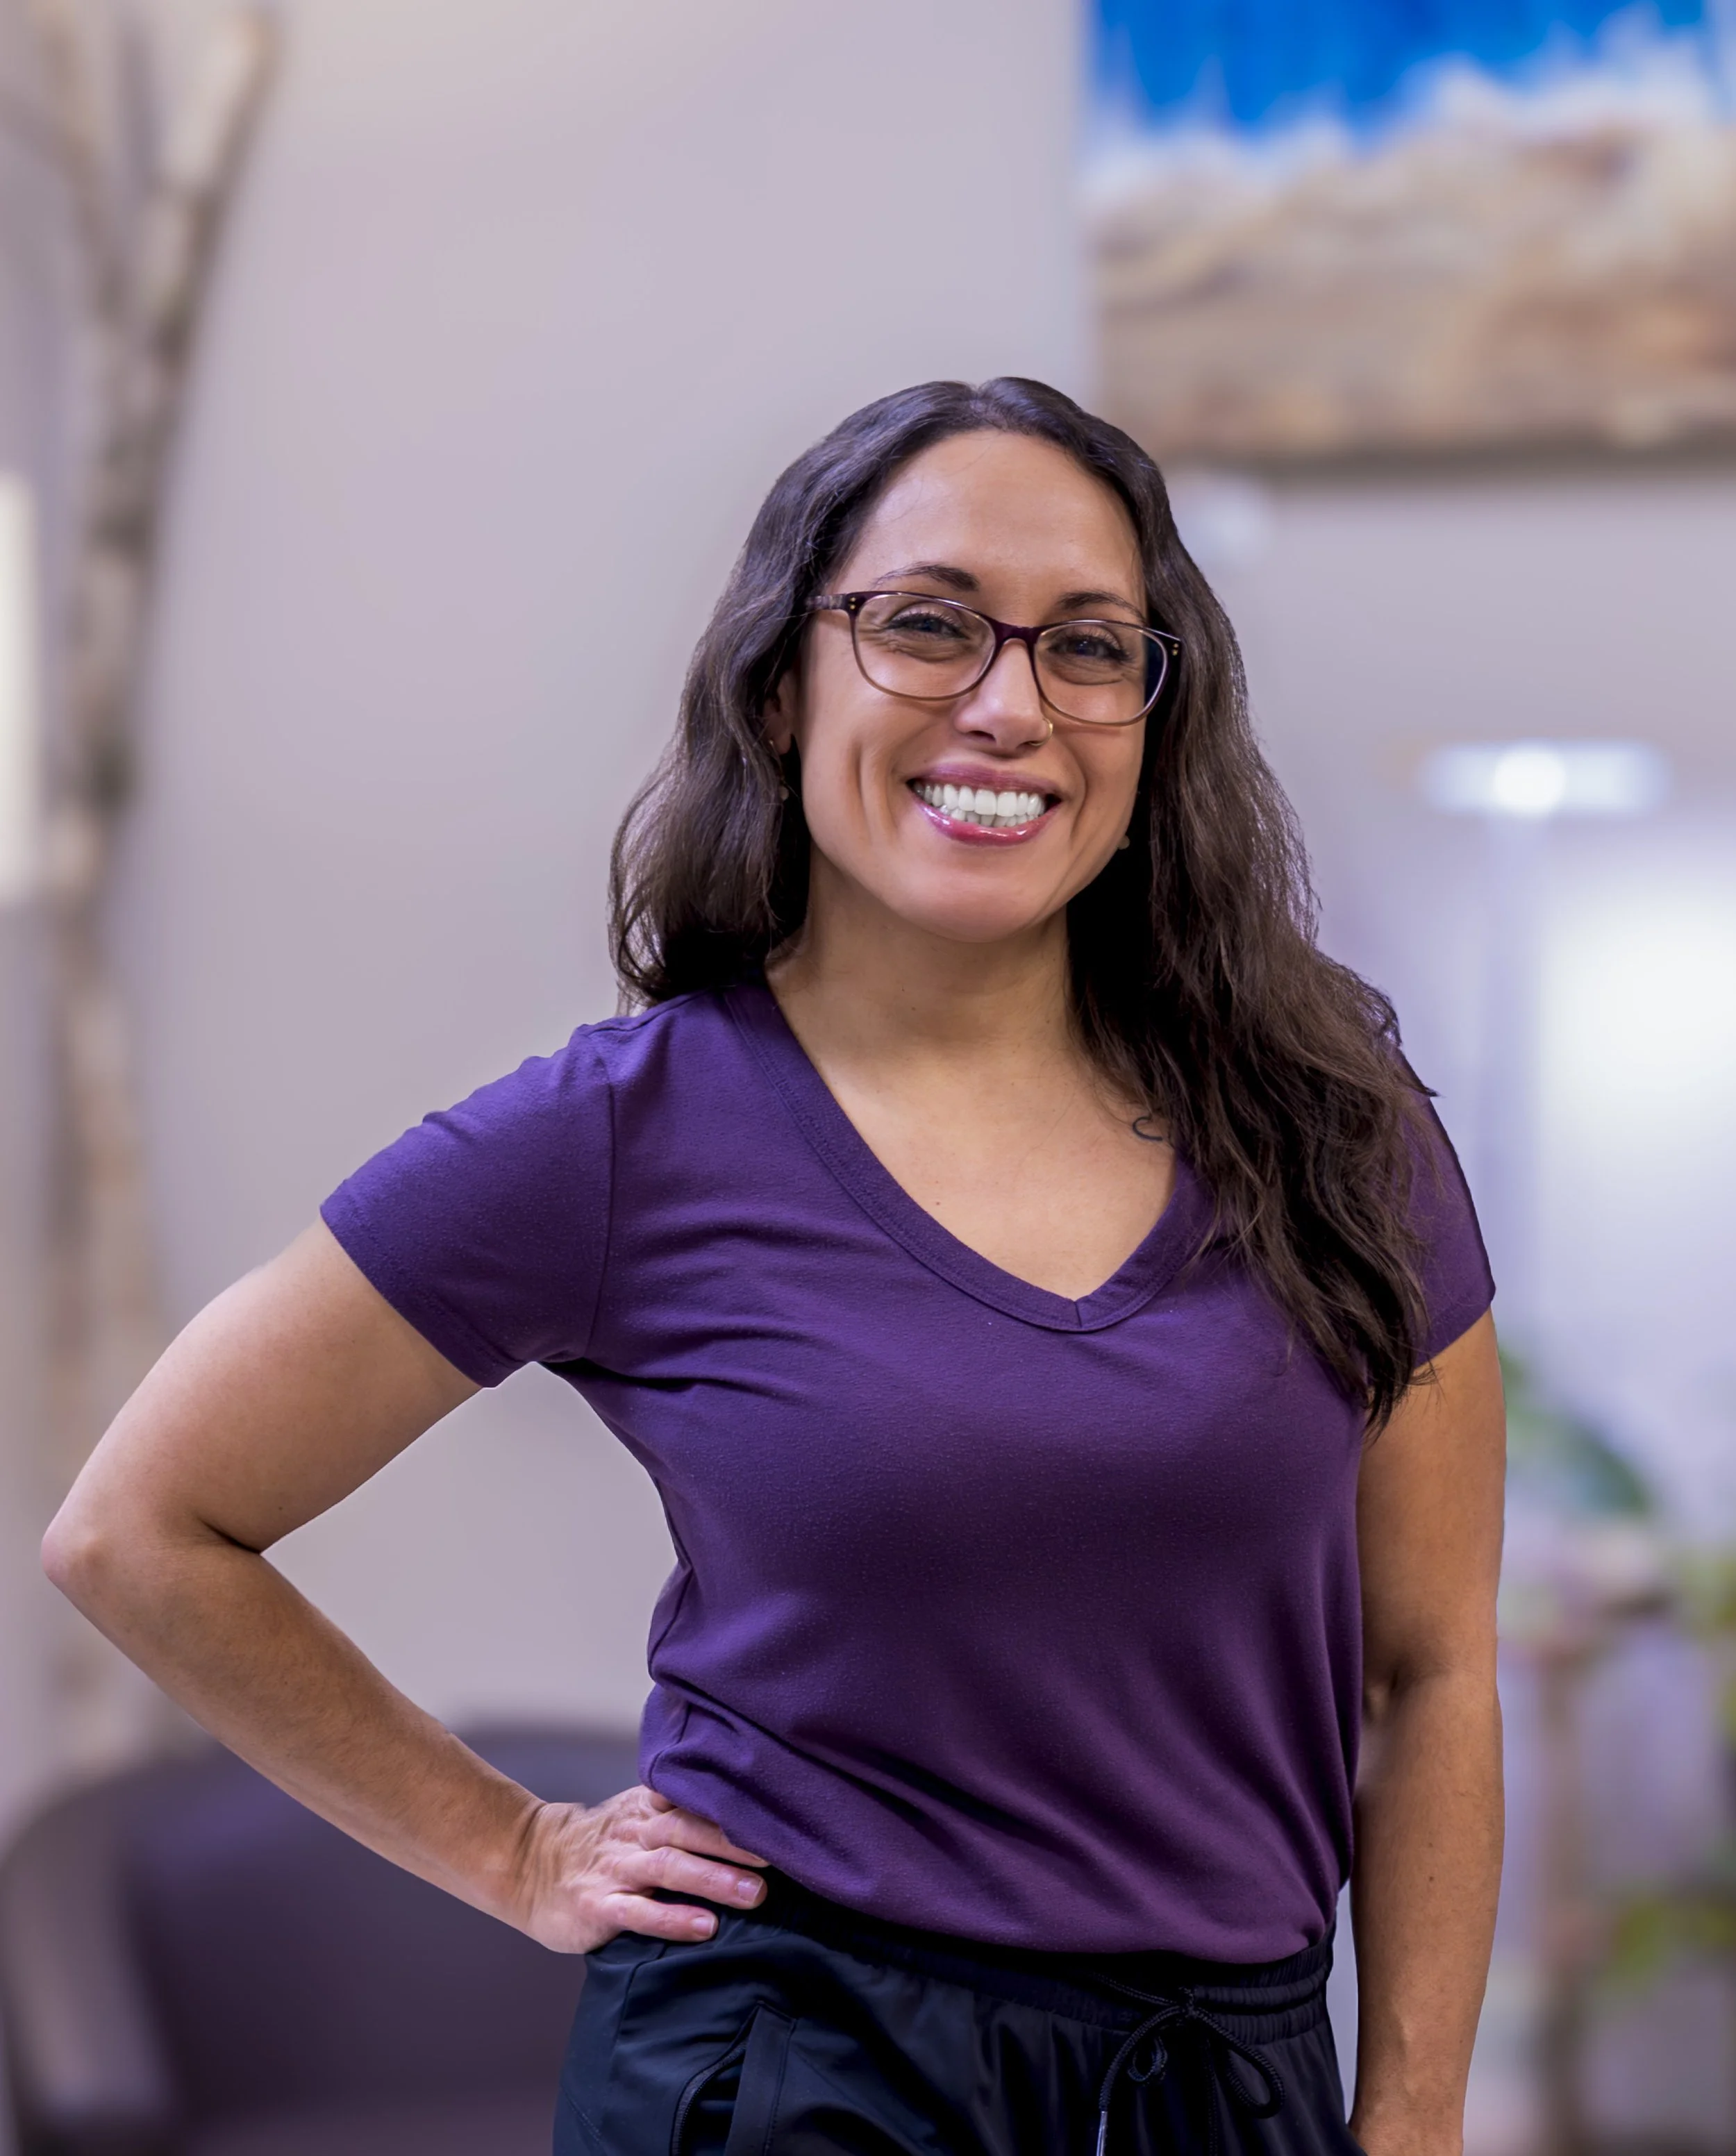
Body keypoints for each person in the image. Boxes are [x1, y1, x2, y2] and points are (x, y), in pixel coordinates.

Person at [45, 378, 1504, 2156]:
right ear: (777, 683)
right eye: (926, 626)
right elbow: (141, 1528)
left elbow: (1427, 1670)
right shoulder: (618, 1134)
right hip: (799, 2071)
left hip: (1223, 2083)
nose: (1007, 705)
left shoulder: (1331, 1117)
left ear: (1153, 717)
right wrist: (513, 1848)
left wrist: (1413, 2107)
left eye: (1091, 648)